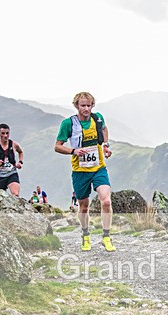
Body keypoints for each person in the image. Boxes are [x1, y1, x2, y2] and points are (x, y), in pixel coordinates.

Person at [55, 91, 115, 252]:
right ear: (76, 106)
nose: (86, 109)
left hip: (99, 168)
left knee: (106, 201)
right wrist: (73, 151)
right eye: (83, 106)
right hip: (80, 171)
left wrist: (106, 145)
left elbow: (104, 129)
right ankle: (85, 235)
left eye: (89, 105)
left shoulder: (97, 118)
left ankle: (106, 237)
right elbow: (58, 146)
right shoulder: (68, 124)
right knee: (83, 207)